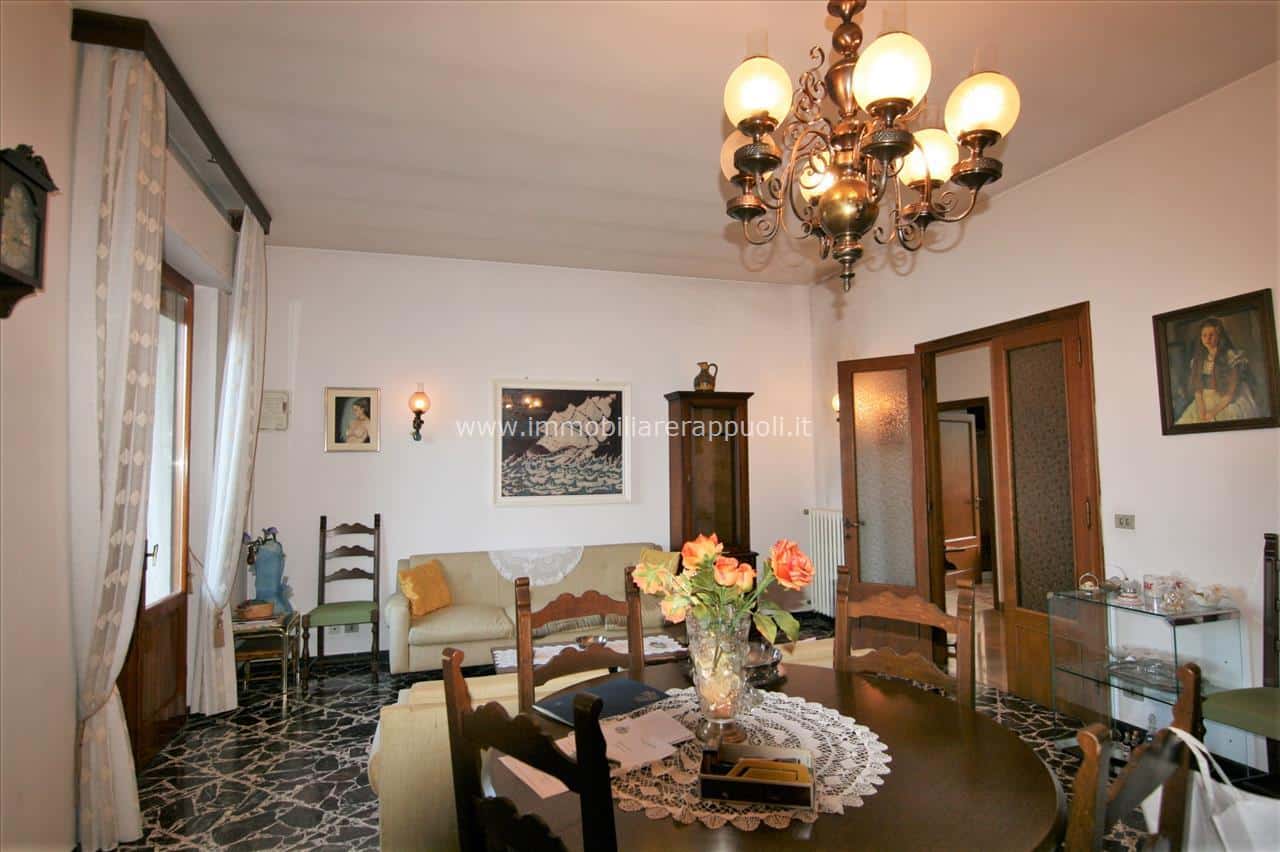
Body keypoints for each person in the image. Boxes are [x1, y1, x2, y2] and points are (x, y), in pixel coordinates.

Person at [1175, 317, 1259, 424]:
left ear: (1219, 336)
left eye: (1211, 335)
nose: (1207, 339)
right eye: (1204, 335)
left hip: (1226, 400)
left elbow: (1230, 393)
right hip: (1204, 401)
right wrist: (1202, 412)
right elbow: (1198, 391)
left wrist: (1212, 413)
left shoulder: (1231, 357)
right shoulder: (1197, 360)